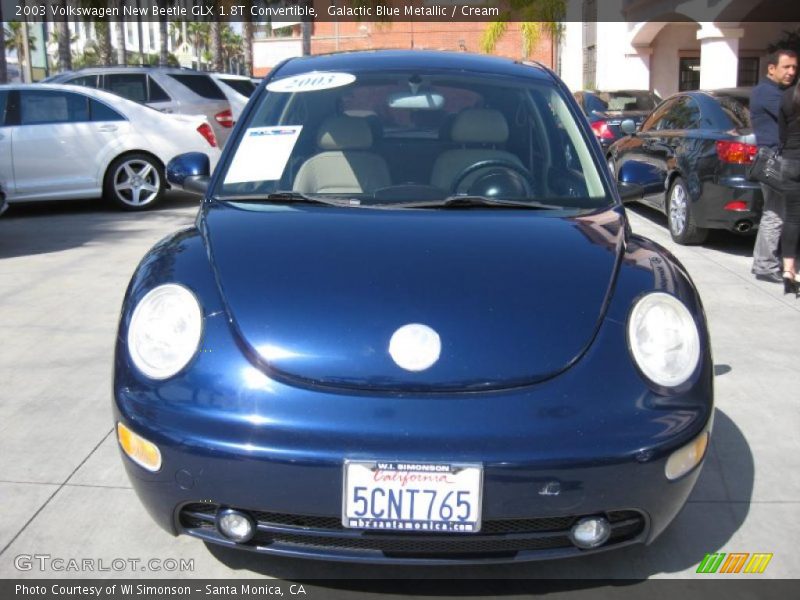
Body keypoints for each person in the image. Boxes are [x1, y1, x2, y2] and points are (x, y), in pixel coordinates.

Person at [751, 49, 797, 283]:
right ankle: (765, 265)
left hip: (779, 157)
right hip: (774, 158)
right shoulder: (767, 93)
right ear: (772, 69)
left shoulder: (777, 92)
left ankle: (768, 262)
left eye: (794, 68)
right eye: (786, 67)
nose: (791, 72)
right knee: (776, 213)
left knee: (779, 212)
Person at [777, 82, 800, 296]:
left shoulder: (787, 97)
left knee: (792, 218)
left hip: (790, 161)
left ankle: (788, 271)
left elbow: (781, 134)